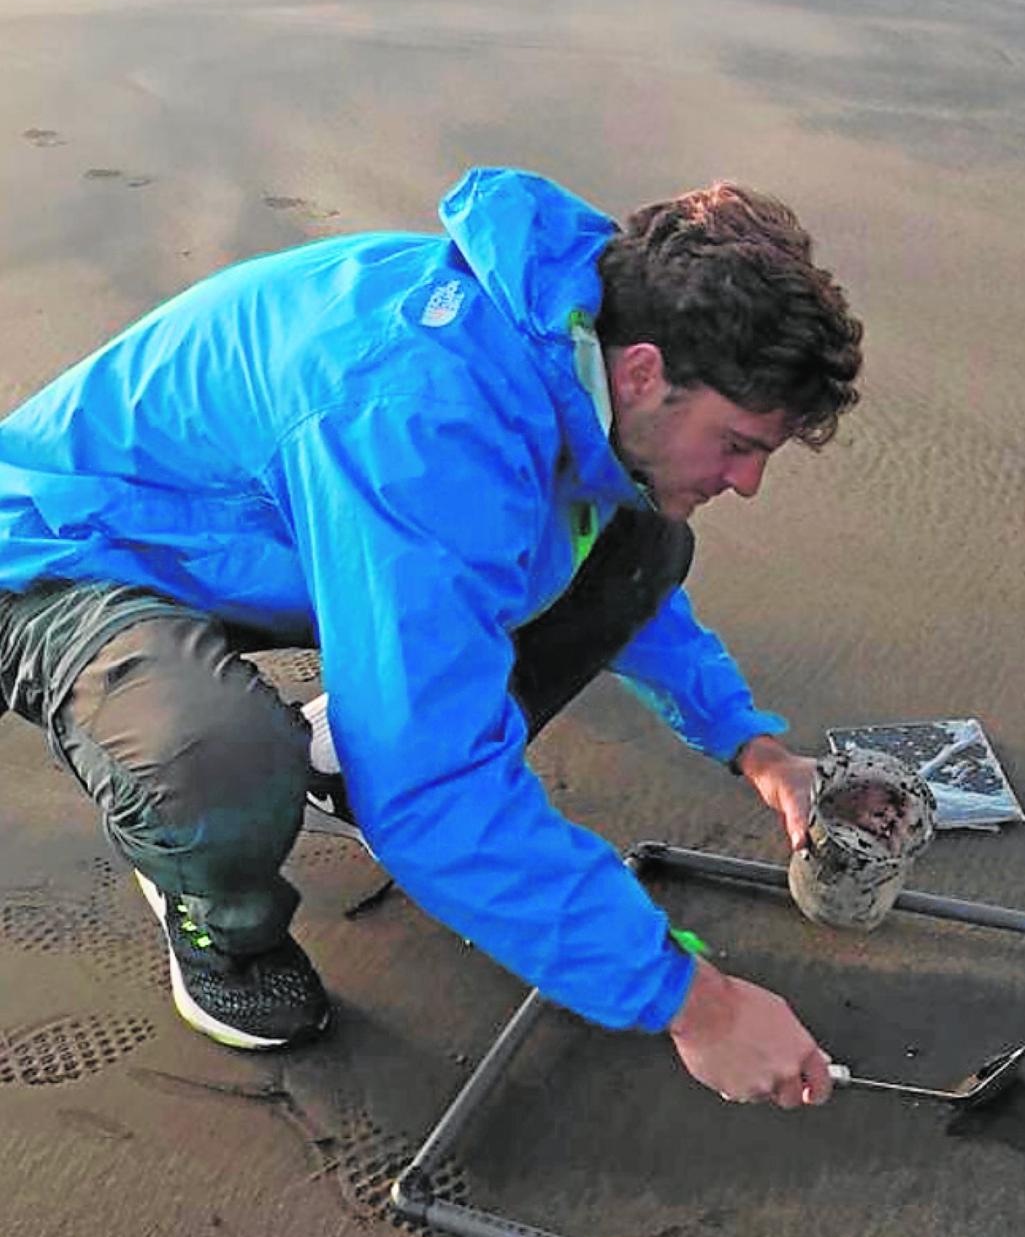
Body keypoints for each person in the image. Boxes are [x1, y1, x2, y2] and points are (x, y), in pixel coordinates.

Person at [0, 167, 863, 1110]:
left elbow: (622, 583)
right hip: (64, 553)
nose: (747, 483)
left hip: (262, 533)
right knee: (218, 756)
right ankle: (215, 917)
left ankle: (342, 755)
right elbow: (435, 792)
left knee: (639, 540)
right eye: (739, 443)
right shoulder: (423, 423)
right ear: (645, 371)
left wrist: (752, 745)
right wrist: (693, 1000)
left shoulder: (562, 346)